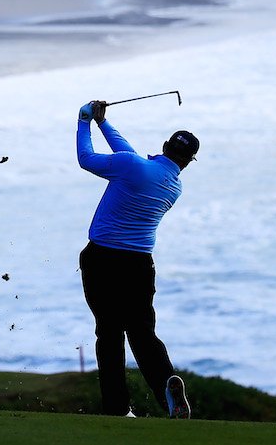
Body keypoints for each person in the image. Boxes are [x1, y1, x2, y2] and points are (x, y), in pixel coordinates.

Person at [76, 99, 198, 419]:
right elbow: (127, 157)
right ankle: (165, 388)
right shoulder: (173, 185)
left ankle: (117, 408)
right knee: (142, 332)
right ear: (188, 161)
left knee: (109, 332)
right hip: (140, 265)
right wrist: (104, 124)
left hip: (103, 258)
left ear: (164, 146)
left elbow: (87, 159)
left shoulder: (133, 167)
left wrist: (84, 121)